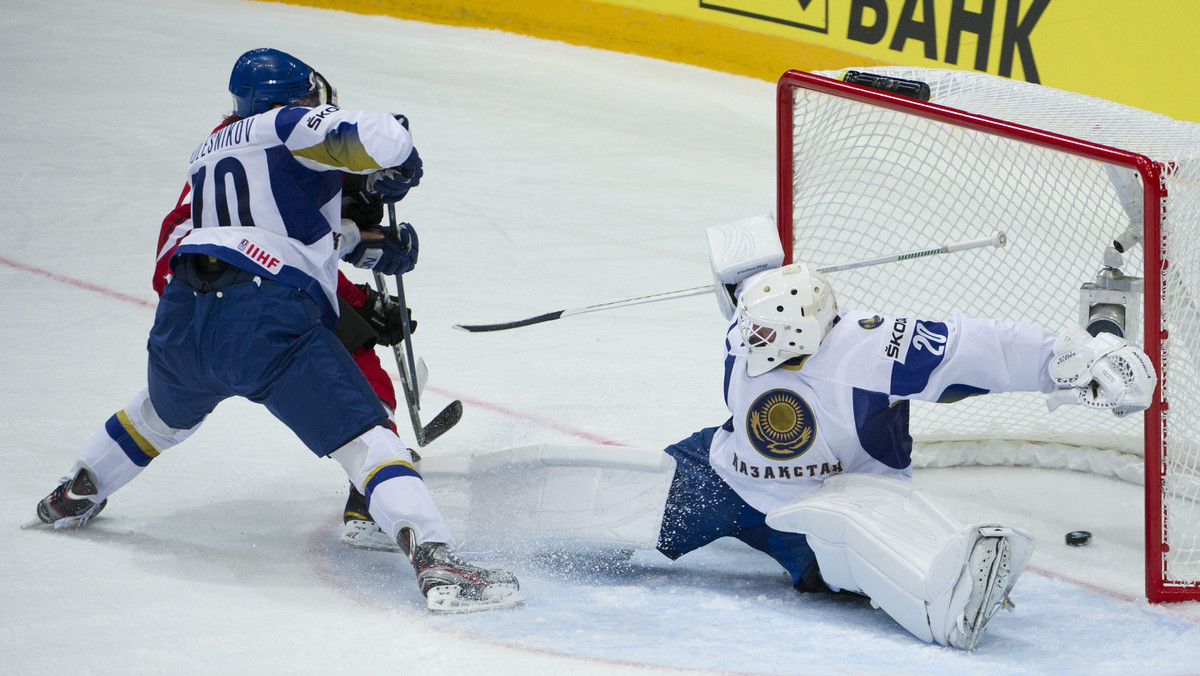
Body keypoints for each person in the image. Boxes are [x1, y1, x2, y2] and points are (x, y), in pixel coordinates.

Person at [33, 48, 521, 613]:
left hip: (185, 315)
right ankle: (436, 560)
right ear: (291, 100)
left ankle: (76, 491)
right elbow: (380, 137)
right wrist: (394, 161)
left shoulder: (207, 153)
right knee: (367, 442)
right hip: (263, 317)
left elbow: (263, 228)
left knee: (156, 417)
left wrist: (365, 247)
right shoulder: (284, 125)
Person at [646, 219, 1157, 648]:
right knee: (636, 509)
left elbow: (983, 350)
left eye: (759, 335)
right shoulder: (756, 311)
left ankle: (953, 589)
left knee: (854, 570)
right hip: (727, 472)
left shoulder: (876, 349)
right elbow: (741, 272)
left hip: (833, 502)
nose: (745, 336)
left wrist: (1080, 359)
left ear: (799, 334)